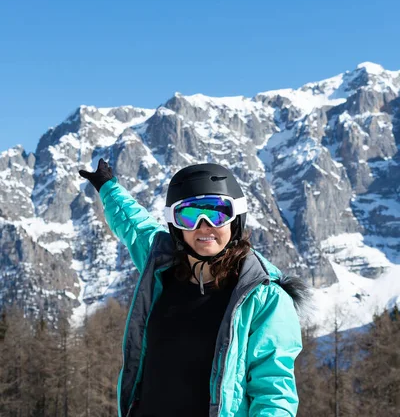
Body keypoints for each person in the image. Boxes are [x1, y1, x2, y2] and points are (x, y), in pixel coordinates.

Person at [79, 158, 305, 417]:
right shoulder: (161, 267)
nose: (203, 226)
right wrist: (108, 188)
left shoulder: (263, 297)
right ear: (176, 226)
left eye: (217, 213)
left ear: (236, 220)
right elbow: (135, 225)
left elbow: (273, 391)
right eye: (188, 215)